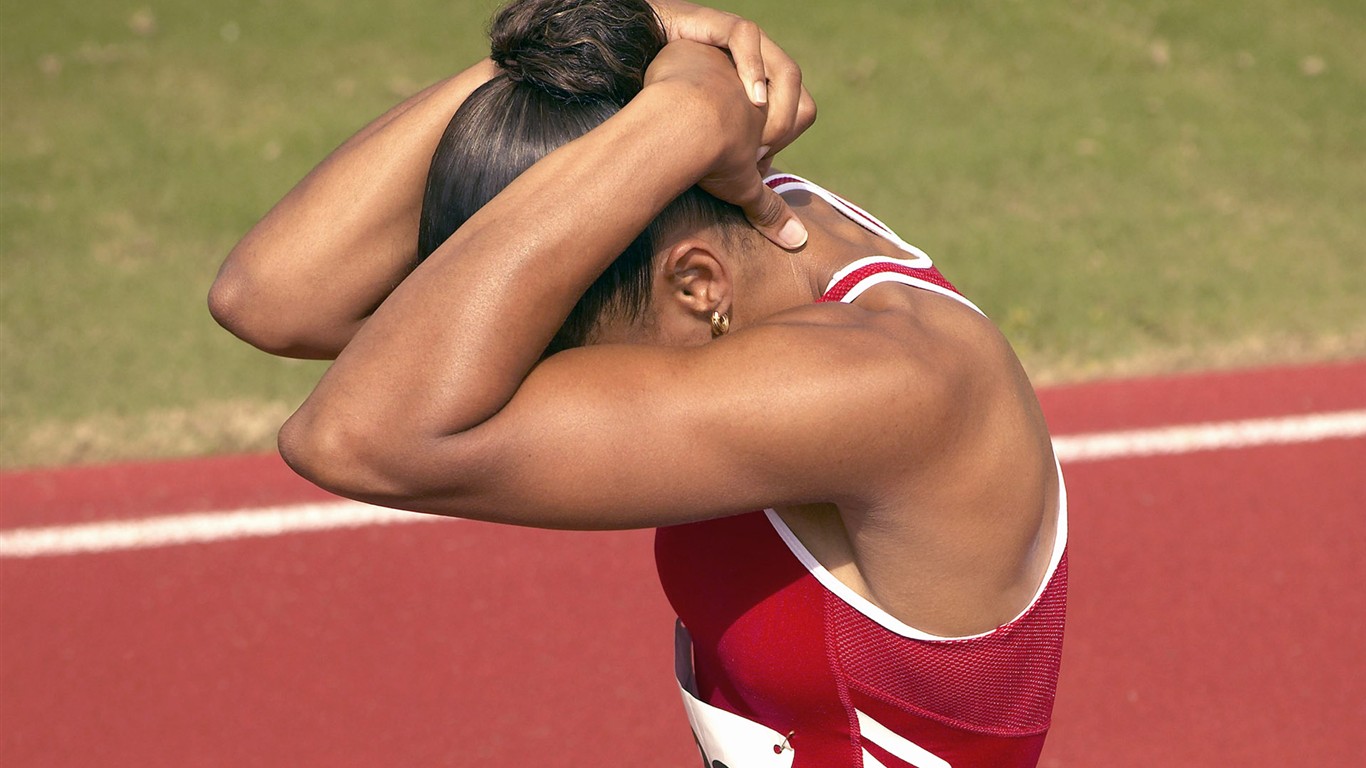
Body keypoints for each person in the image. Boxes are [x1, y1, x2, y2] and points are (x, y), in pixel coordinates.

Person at [209, 1, 1067, 765]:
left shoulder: (883, 384)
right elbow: (274, 300)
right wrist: (582, 41)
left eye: (561, 357)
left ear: (698, 287)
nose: (534, 385)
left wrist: (685, 112)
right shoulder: (743, 224)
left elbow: (354, 437)